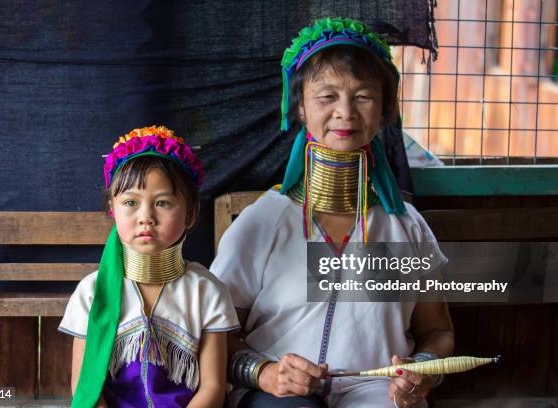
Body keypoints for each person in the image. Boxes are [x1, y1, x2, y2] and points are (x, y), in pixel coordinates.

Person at [210, 18, 454, 408]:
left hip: (379, 393)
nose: (346, 112)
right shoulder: (264, 222)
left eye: (363, 96)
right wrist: (266, 373)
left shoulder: (406, 226)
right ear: (302, 108)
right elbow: (214, 333)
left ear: (384, 109)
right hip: (279, 395)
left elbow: (438, 331)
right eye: (327, 96)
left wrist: (423, 369)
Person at [59, 125, 240, 408]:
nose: (146, 217)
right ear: (112, 209)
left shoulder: (207, 291)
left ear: (191, 213)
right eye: (130, 202)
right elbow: (85, 387)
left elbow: (213, 387)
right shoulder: (92, 292)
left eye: (163, 203)